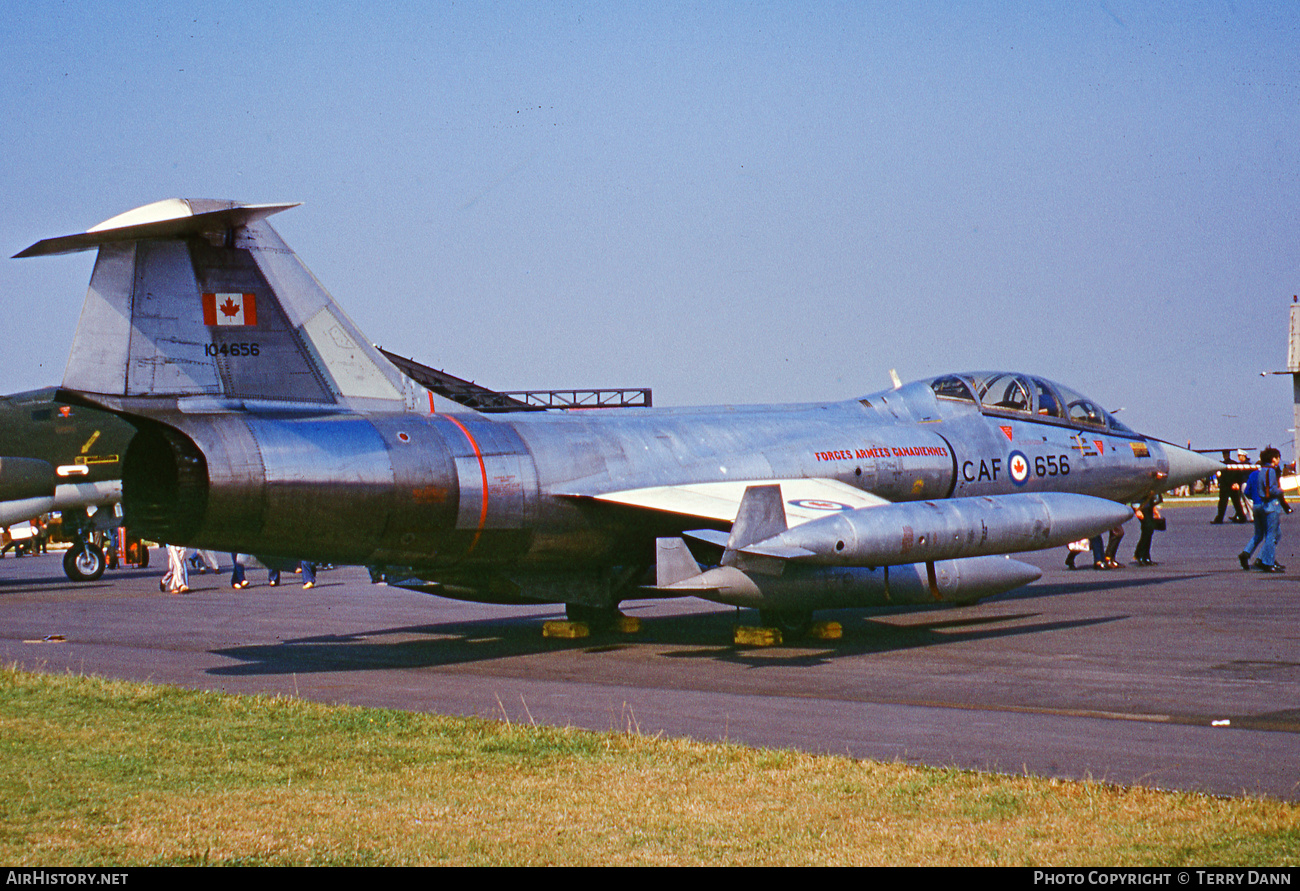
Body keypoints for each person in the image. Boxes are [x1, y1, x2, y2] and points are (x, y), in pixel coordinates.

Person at [1238, 448, 1291, 572]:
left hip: (1257, 505)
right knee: (1272, 535)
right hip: (1270, 506)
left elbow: (1247, 492)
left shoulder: (1258, 471)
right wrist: (1283, 490)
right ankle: (1267, 561)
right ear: (1273, 459)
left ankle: (1250, 554)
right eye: (1278, 457)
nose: (1279, 460)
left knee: (1259, 534)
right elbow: (1272, 490)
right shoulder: (1271, 471)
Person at [1133, 491, 1164, 565]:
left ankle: (1146, 556)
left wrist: (1154, 509)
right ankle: (1139, 553)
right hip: (1141, 506)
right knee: (1148, 528)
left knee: (1149, 530)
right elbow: (1135, 494)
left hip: (1148, 505)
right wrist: (1137, 510)